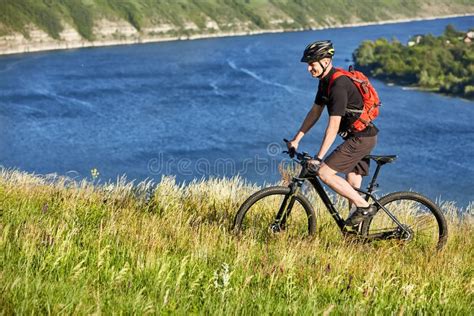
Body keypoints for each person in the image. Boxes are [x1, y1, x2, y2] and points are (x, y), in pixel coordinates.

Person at [286, 40, 378, 227]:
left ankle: (364, 206)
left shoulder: (338, 85)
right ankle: (357, 238)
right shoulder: (325, 83)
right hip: (358, 136)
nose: (309, 68)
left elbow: (333, 126)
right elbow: (315, 112)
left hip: (361, 138)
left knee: (325, 173)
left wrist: (319, 158)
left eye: (312, 64)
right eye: (308, 65)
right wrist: (297, 139)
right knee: (352, 184)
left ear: (325, 61)